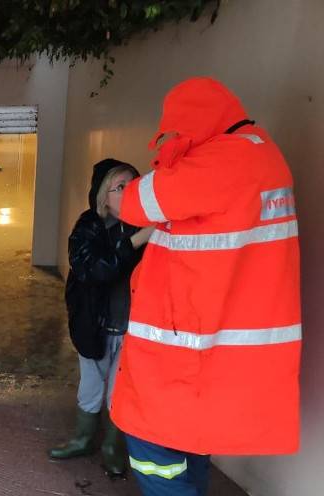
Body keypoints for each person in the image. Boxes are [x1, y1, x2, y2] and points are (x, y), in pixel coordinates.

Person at [111, 77, 301, 496]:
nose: (175, 139)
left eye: (176, 131)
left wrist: (171, 154)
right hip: (209, 348)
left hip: (183, 355)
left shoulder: (224, 160)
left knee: (156, 459)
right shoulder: (262, 156)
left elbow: (132, 203)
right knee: (189, 450)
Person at [49, 159, 153, 477]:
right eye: (120, 187)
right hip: (94, 325)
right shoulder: (88, 226)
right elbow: (94, 270)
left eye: (133, 185)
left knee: (119, 392)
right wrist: (136, 241)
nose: (128, 191)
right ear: (102, 196)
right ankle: (83, 439)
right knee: (92, 385)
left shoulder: (147, 226)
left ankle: (111, 446)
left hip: (132, 329)